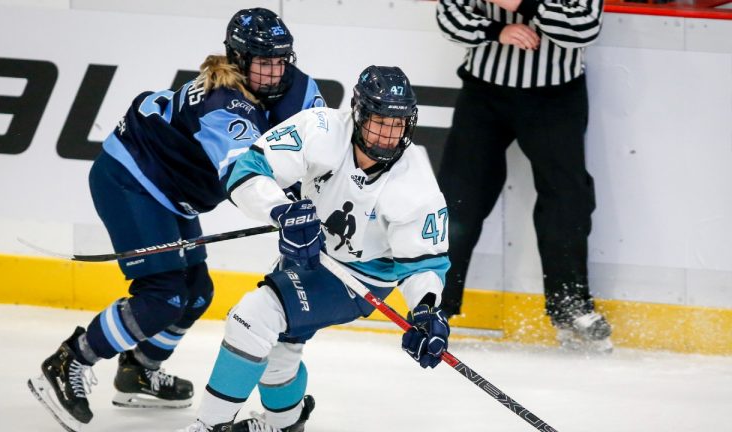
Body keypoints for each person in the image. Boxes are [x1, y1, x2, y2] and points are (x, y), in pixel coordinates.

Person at [27, 8, 324, 431]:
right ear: (238, 59)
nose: (275, 72)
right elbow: (246, 175)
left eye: (281, 61)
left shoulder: (301, 88)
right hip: (131, 180)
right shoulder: (225, 105)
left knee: (197, 292)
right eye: (263, 62)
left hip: (173, 196)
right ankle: (68, 360)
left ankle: (139, 371)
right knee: (162, 297)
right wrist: (286, 211)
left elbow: (320, 152)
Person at [178, 65, 452, 432]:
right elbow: (248, 169)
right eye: (379, 122)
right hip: (304, 251)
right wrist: (283, 211)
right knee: (278, 353)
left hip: (357, 278)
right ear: (358, 113)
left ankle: (210, 425)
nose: (388, 135)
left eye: (398, 124)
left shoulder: (415, 183)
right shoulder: (322, 129)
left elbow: (422, 265)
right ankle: (287, 424)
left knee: (253, 317)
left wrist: (426, 311)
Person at [435, 0, 611, 351]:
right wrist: (495, 30)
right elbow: (448, 16)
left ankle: (569, 305)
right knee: (458, 198)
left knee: (567, 199)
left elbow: (584, 28)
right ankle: (435, 303)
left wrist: (521, 3)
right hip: (484, 93)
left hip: (556, 96)